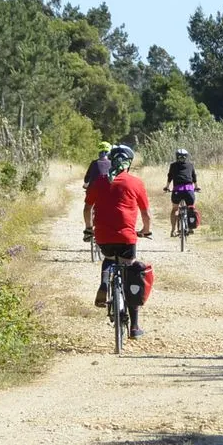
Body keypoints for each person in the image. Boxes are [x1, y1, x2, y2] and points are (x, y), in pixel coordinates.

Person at [82, 144, 154, 339]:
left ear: (112, 161)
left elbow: (87, 209)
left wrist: (89, 229)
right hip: (126, 238)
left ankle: (104, 284)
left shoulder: (99, 181)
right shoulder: (135, 183)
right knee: (130, 270)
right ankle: (135, 327)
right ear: (128, 164)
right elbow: (146, 213)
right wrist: (145, 231)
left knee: (109, 258)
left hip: (103, 236)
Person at [162, 148, 200, 236]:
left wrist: (167, 187)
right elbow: (194, 177)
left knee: (175, 209)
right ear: (186, 157)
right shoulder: (190, 165)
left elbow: (170, 177)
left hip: (177, 191)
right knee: (191, 208)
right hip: (189, 191)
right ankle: (190, 228)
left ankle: (173, 230)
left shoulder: (173, 165)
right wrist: (197, 187)